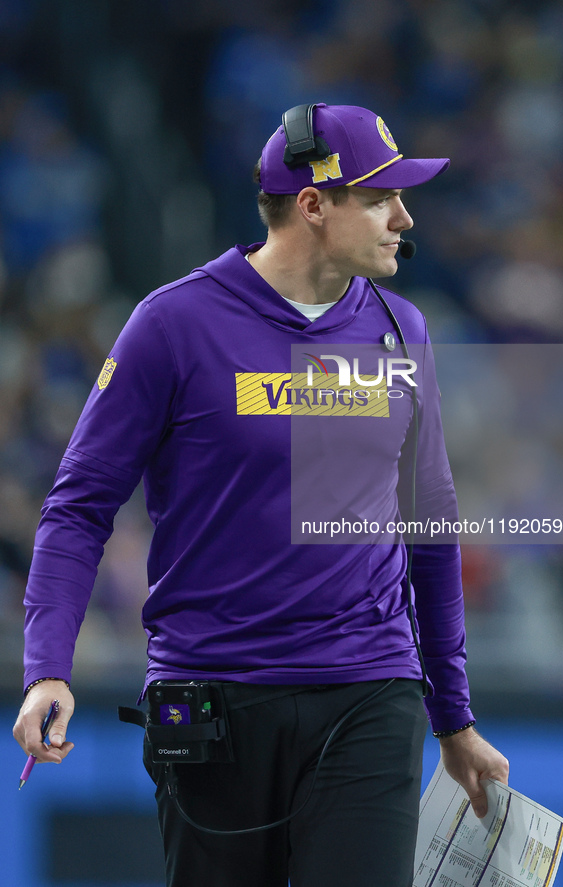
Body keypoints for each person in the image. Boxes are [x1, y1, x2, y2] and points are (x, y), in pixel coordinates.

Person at [13, 103, 508, 887]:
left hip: (368, 690)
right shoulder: (172, 325)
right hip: (213, 699)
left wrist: (453, 714)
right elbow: (78, 506)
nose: (403, 217)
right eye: (380, 197)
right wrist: (49, 665)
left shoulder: (401, 328)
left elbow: (429, 526)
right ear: (312, 204)